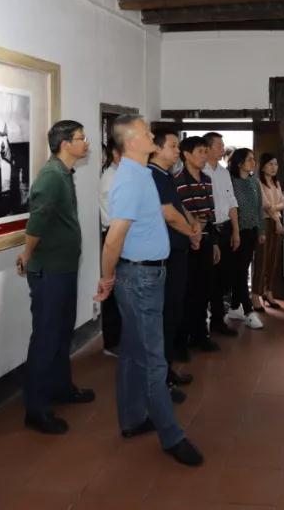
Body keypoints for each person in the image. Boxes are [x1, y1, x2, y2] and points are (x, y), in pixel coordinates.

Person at [97, 115, 203, 466]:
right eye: (145, 133)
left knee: (132, 351)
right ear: (131, 141)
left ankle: (132, 418)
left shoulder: (142, 173)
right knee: (154, 361)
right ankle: (172, 436)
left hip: (146, 274)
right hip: (139, 277)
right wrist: (106, 278)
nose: (151, 137)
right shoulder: (130, 179)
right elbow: (114, 237)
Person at [17, 120, 95, 435]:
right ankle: (36, 409)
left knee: (63, 333)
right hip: (49, 271)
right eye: (81, 138)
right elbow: (38, 220)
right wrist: (27, 254)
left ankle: (61, 388)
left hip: (63, 268)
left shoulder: (64, 172)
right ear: (65, 144)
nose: (86, 143)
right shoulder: (51, 176)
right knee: (47, 338)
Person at [148, 126, 200, 400]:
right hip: (165, 256)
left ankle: (167, 370)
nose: (177, 151)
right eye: (173, 146)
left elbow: (178, 207)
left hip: (177, 252)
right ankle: (161, 380)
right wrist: (191, 232)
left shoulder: (165, 175)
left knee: (174, 313)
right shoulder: (152, 175)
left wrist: (193, 224)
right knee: (166, 316)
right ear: (156, 148)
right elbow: (168, 214)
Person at [174, 136, 223, 354]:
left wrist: (214, 243)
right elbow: (177, 215)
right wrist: (194, 228)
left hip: (205, 241)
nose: (205, 156)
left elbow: (209, 214)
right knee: (186, 292)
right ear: (186, 155)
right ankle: (181, 340)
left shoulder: (206, 179)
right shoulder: (177, 181)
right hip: (186, 244)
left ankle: (200, 335)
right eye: (200, 152)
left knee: (204, 290)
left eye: (205, 151)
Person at [202, 132, 239, 338]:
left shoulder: (224, 172)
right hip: (208, 230)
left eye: (223, 145)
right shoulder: (200, 171)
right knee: (207, 278)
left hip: (225, 229)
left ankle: (218, 320)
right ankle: (201, 324)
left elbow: (232, 202)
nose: (223, 148)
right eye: (219, 145)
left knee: (224, 277)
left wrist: (236, 231)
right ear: (207, 148)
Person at [225, 148, 266, 329]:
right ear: (239, 163)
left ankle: (235, 307)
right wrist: (234, 232)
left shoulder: (254, 182)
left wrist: (261, 231)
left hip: (252, 231)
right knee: (240, 271)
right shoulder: (231, 181)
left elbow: (259, 208)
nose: (253, 162)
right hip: (236, 231)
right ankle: (249, 311)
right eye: (249, 159)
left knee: (242, 269)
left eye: (253, 159)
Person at [98, 141, 123, 356]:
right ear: (115, 154)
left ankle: (119, 338)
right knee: (113, 289)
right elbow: (114, 215)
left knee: (120, 288)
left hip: (121, 234)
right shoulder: (111, 177)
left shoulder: (120, 175)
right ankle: (112, 342)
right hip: (114, 235)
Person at [254, 152, 284, 311]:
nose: (274, 167)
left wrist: (275, 209)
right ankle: (256, 294)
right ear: (263, 166)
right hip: (265, 222)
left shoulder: (276, 182)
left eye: (276, 164)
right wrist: (278, 220)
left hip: (276, 222)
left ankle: (268, 291)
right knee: (262, 259)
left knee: (273, 259)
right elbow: (265, 205)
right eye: (270, 164)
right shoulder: (258, 182)